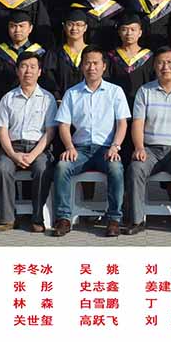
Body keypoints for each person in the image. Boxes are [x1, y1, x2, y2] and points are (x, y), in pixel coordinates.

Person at [52, 46, 131, 237]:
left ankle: (114, 219)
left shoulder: (115, 91)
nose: (91, 67)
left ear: (104, 66)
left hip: (106, 149)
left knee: (116, 168)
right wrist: (69, 146)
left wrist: (115, 147)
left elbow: (122, 123)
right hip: (80, 150)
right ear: (82, 66)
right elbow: (63, 125)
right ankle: (63, 218)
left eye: (96, 63)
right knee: (62, 166)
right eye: (87, 63)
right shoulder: (72, 93)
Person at [124, 46, 171, 236]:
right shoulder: (145, 91)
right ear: (154, 66)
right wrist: (139, 147)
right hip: (151, 150)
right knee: (135, 169)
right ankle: (137, 220)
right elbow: (137, 123)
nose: (165, 67)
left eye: (169, 62)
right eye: (160, 63)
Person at [0, 51, 57, 233]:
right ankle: (7, 219)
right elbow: (2, 131)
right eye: (24, 66)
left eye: (33, 67)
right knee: (2, 169)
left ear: (40, 71)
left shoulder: (48, 98)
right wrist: (13, 155)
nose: (28, 71)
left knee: (43, 168)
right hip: (12, 147)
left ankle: (37, 218)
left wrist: (33, 155)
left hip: (39, 148)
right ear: (17, 71)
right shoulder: (8, 98)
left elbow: (50, 132)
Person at [0, 10, 47, 103]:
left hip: (34, 101)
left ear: (30, 28)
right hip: (3, 101)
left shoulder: (40, 53)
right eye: (13, 26)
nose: (17, 30)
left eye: (21, 26)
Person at [105, 12, 154, 108]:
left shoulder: (149, 57)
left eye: (133, 29)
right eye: (124, 29)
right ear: (119, 32)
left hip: (143, 105)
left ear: (140, 33)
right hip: (117, 105)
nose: (129, 33)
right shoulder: (111, 57)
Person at [41, 6, 87, 101]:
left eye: (79, 25)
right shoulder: (54, 54)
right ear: (64, 26)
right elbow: (49, 80)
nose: (74, 28)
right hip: (61, 103)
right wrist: (58, 99)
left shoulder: (92, 53)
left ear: (85, 27)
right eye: (70, 24)